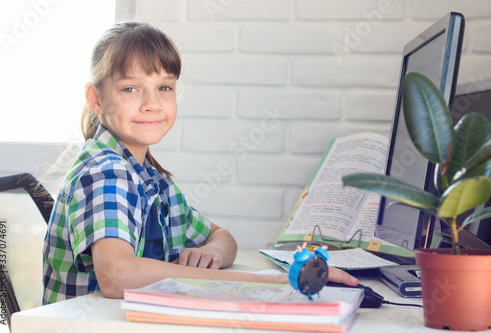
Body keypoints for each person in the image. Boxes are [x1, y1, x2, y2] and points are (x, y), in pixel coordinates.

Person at [42, 21, 358, 305]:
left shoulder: (152, 180)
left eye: (164, 87)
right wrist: (269, 282)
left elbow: (224, 238)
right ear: (96, 98)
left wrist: (211, 253)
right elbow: (116, 276)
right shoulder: (105, 173)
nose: (152, 104)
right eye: (130, 88)